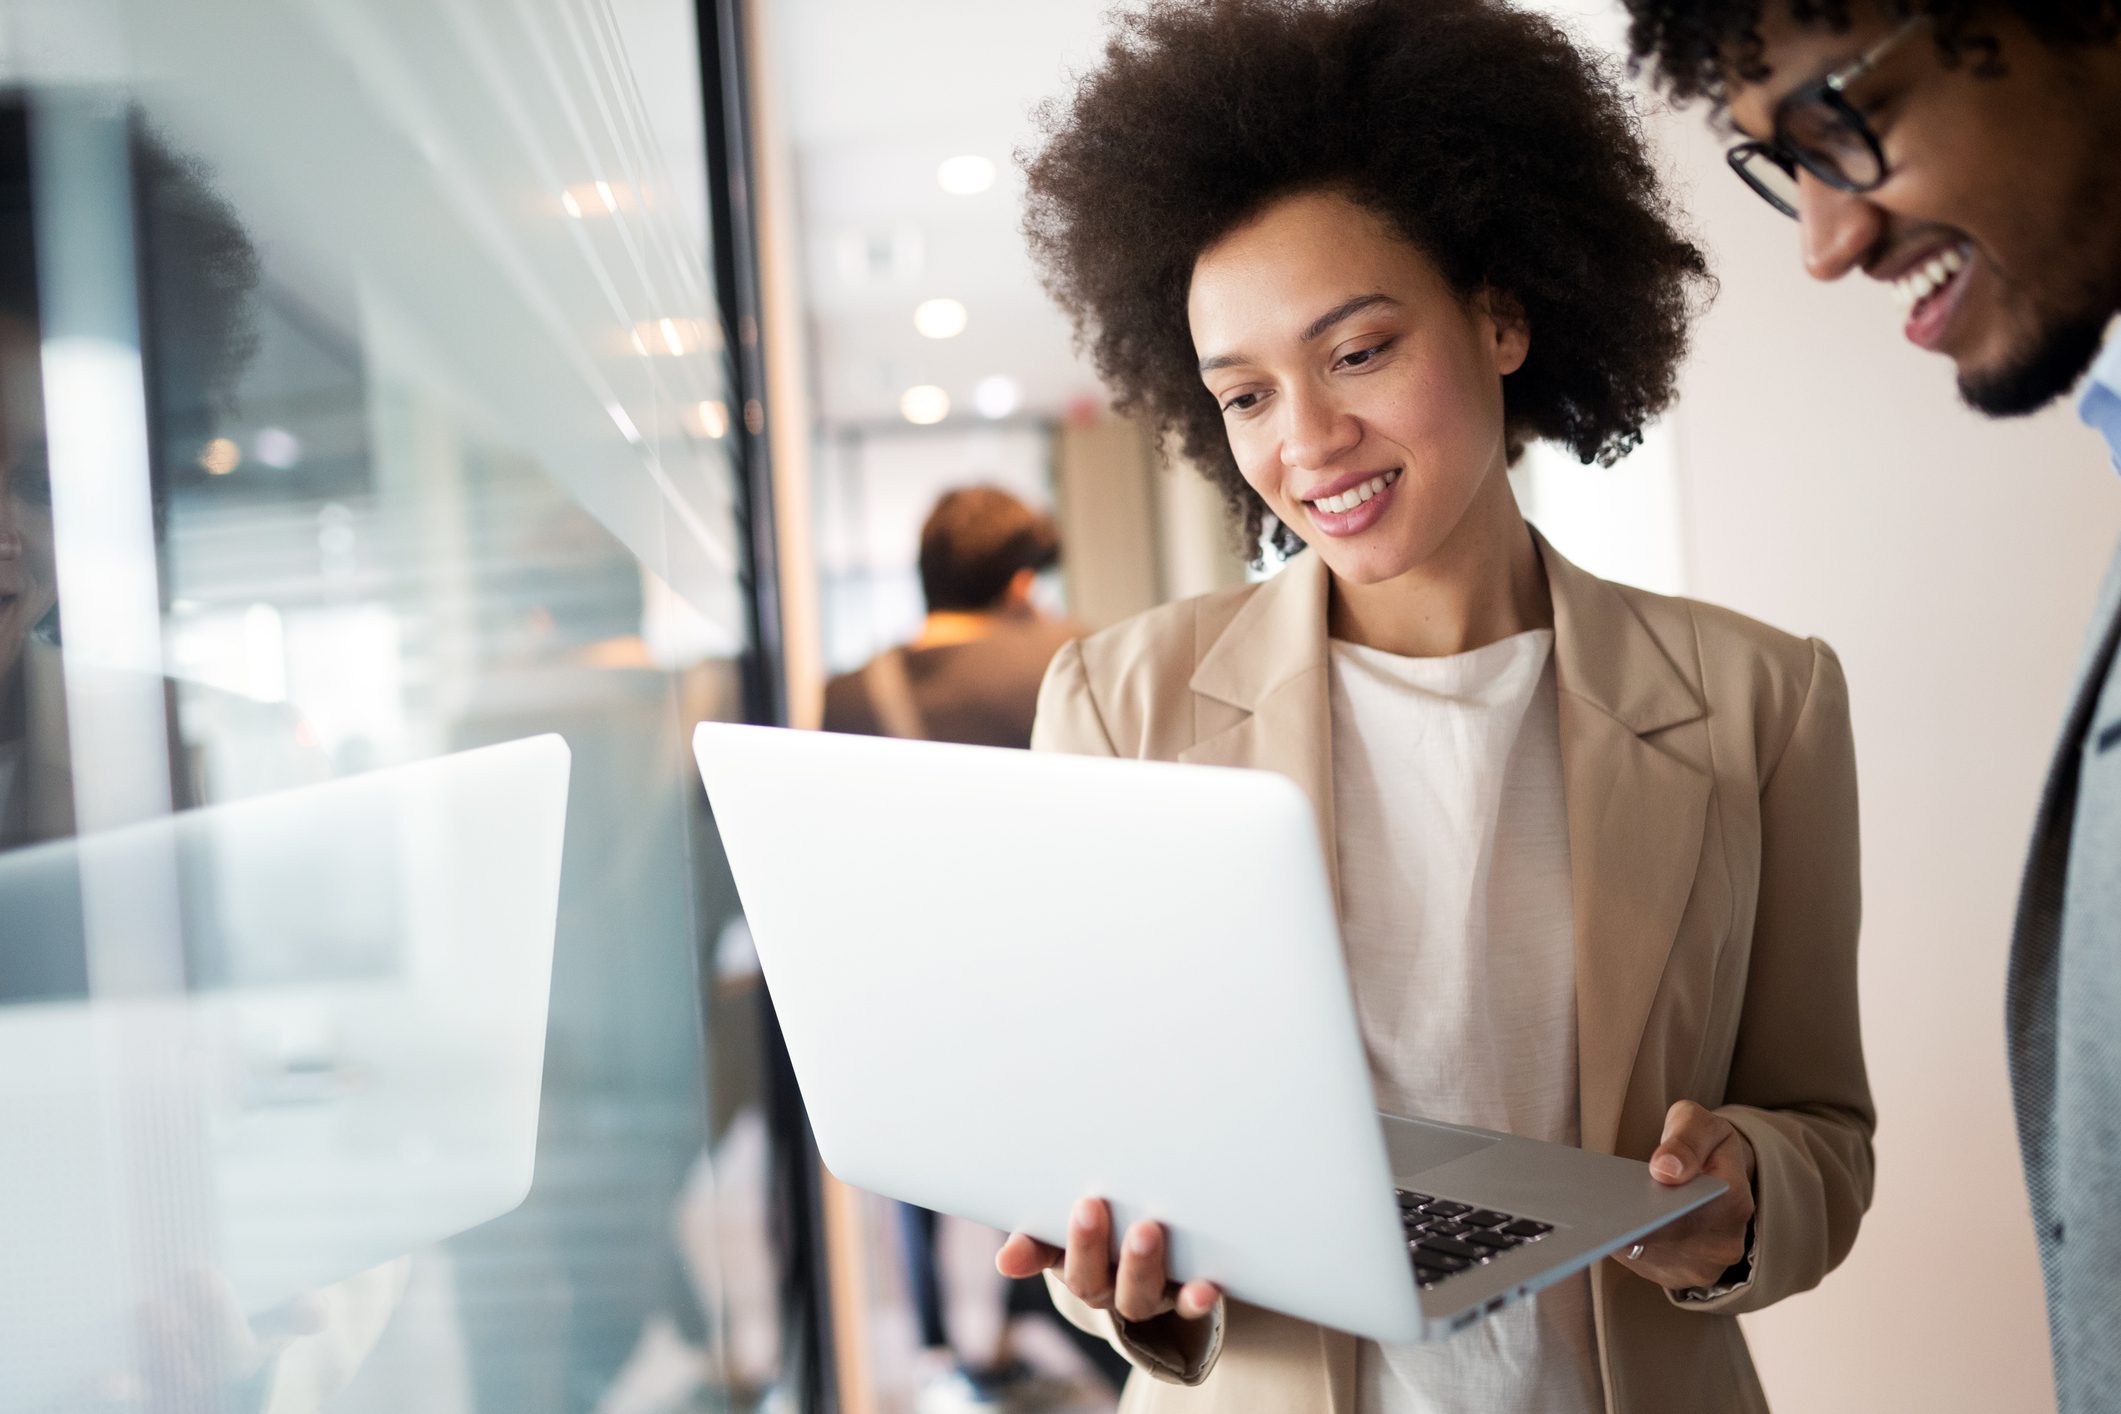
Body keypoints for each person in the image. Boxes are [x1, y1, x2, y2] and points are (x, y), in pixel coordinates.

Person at [989, 0, 1876, 1409]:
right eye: (1244, 394)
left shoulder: (1759, 697)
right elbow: (1101, 1165)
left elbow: (1823, 1122)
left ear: (1503, 313)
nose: (1307, 442)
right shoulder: (1119, 704)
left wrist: (1743, 1195)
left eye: (1356, 352)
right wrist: (1124, 1295)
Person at [1618, 6, 2121, 1409]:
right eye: (1784, 165)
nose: (1824, 241)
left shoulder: (1755, 689)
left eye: (1836, 120)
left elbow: (1820, 1130)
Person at [821, 484, 1098, 1410]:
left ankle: (943, 1343)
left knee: (921, 1173)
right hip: (1062, 982)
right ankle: (1061, 1320)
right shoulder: (1073, 656)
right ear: (1020, 582)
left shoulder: (853, 691)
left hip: (918, 990)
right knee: (1075, 1178)